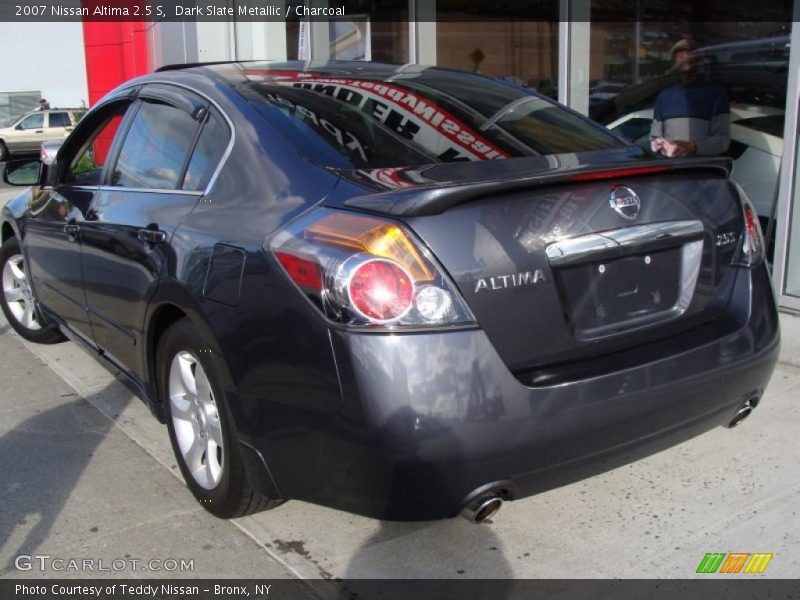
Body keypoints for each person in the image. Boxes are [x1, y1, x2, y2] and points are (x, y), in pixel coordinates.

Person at [650, 39, 730, 158]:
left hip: (701, 170)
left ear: (699, 61)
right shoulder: (664, 97)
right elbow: (654, 138)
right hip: (670, 170)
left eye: (691, 54)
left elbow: (723, 141)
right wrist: (660, 145)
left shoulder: (715, 94)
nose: (685, 57)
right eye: (680, 55)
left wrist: (692, 147)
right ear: (673, 62)